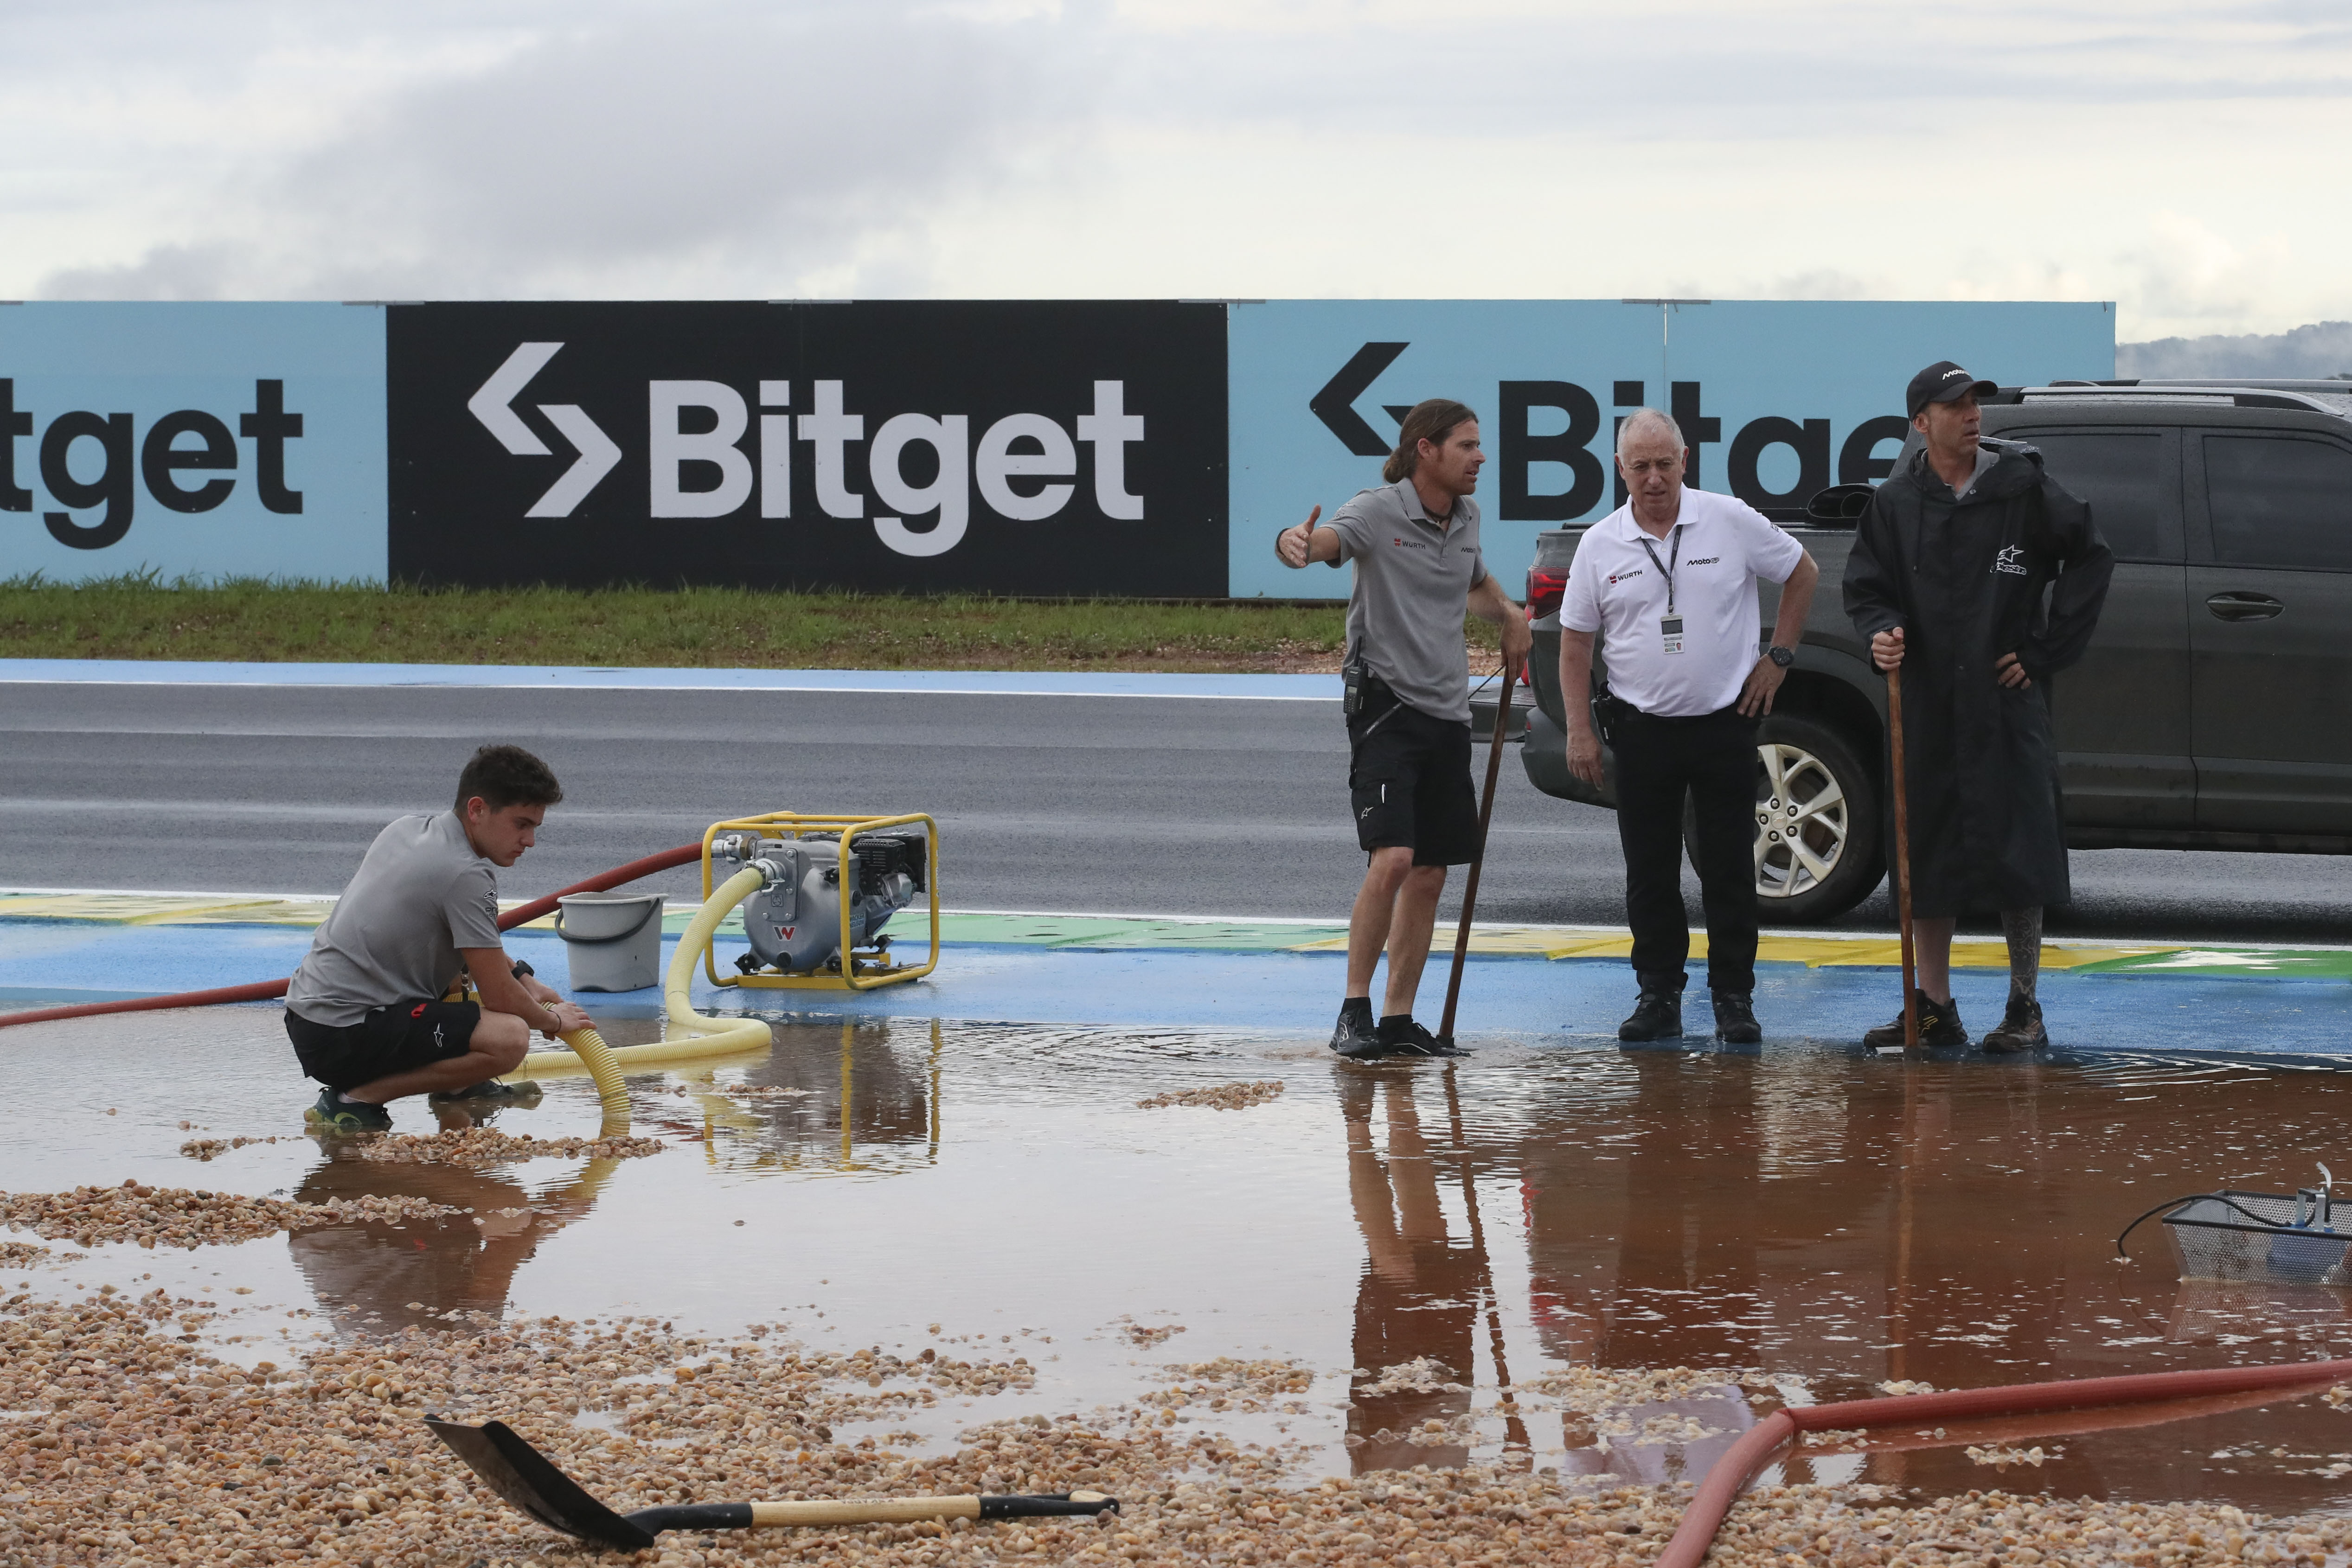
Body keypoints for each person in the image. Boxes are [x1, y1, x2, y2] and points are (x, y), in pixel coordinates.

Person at [1845, 361, 2113, 1053]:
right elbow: (1865, 587)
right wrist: (1880, 633)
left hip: (2002, 701)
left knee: (2015, 846)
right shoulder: (1895, 503)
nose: (1970, 414)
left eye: (1974, 403)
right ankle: (1932, 1007)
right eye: (1954, 404)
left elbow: (2090, 556)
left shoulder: (2022, 488)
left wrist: (2043, 650)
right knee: (1924, 845)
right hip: (1928, 701)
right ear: (1919, 422)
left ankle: (2023, 1006)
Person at [1276, 398, 1532, 1059]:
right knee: (1390, 858)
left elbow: (1473, 583)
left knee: (1429, 874)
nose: (1480, 458)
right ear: (1426, 449)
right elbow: (1324, 542)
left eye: (1479, 446)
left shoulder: (1467, 517)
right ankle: (1352, 1011)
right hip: (1385, 706)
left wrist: (1507, 614)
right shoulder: (1377, 509)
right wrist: (1296, 544)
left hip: (1447, 712)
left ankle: (1396, 1019)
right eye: (1467, 446)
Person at [1559, 408, 1820, 1043]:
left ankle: (1733, 995)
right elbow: (1573, 646)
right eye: (1639, 466)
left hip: (1723, 723)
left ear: (1684, 462)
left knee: (1729, 865)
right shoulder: (1599, 544)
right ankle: (1658, 995)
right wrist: (1577, 730)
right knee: (1648, 870)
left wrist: (1777, 659)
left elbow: (1801, 572)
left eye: (1664, 464)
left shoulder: (1727, 519)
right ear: (1620, 469)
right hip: (1640, 727)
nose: (1653, 478)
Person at [285, 744, 592, 1130]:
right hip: (343, 1035)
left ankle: (458, 1084)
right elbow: (498, 996)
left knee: (459, 973)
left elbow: (474, 947)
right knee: (511, 1037)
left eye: (535, 827)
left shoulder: (407, 828)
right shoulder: (466, 874)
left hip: (309, 1019)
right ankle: (353, 1100)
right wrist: (553, 1022)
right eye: (521, 824)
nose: (529, 840)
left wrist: (526, 980)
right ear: (477, 809)